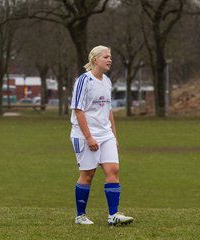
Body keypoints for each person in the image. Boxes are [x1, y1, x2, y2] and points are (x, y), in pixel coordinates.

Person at [70, 45, 134, 226]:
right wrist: (89, 137)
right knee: (88, 174)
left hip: (106, 135)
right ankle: (80, 216)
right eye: (106, 56)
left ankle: (113, 215)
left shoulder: (107, 81)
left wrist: (114, 135)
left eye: (110, 56)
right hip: (84, 135)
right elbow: (78, 110)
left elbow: (109, 110)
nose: (110, 59)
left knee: (113, 170)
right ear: (95, 60)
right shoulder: (84, 80)